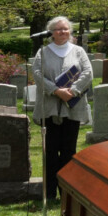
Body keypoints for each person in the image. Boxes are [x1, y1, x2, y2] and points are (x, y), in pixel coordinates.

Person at [32, 16, 93, 199]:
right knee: (50, 152)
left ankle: (67, 193)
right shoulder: (43, 52)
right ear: (51, 32)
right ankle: (49, 194)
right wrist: (56, 90)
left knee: (68, 151)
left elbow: (88, 73)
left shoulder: (78, 51)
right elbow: (36, 73)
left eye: (65, 29)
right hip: (50, 109)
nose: (62, 32)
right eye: (58, 29)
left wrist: (72, 91)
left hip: (72, 109)